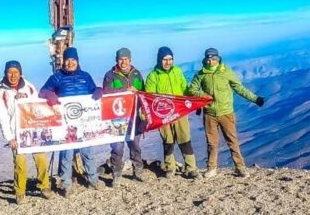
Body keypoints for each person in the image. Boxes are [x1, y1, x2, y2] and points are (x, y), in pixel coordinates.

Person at [188, 47, 265, 179]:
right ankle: (211, 168)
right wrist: (203, 95)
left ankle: (240, 168)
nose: (211, 61)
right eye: (208, 59)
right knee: (211, 143)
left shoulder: (226, 72)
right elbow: (192, 89)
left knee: (232, 141)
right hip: (209, 114)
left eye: (213, 59)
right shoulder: (200, 74)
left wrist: (255, 99)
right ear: (205, 59)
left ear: (218, 59)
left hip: (226, 113)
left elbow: (239, 88)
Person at [39, 47, 104, 196]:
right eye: (68, 60)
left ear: (77, 61)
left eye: (73, 60)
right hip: (66, 123)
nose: (70, 63)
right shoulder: (57, 77)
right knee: (66, 153)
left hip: (84, 122)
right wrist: (49, 94)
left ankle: (93, 179)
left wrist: (98, 90)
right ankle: (66, 184)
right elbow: (42, 91)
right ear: (63, 61)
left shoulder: (85, 76)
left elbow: (93, 90)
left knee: (87, 151)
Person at [0, 60, 54, 204]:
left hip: (33, 131)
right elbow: (2, 117)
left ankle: (44, 187)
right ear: (5, 74)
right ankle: (20, 192)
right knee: (20, 164)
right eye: (10, 72)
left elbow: (37, 106)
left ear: (21, 73)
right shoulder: (2, 93)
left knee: (41, 159)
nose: (13, 75)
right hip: (16, 135)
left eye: (16, 72)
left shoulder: (29, 87)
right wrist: (10, 138)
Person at [144, 46, 200, 178]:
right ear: (159, 60)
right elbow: (149, 95)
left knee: (184, 139)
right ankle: (170, 168)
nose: (168, 62)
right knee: (168, 141)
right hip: (162, 114)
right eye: (165, 59)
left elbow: (184, 89)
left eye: (170, 59)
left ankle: (191, 168)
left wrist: (196, 100)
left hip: (180, 112)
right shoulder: (153, 76)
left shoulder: (177, 72)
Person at [102, 47, 146, 186]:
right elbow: (106, 92)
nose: (123, 62)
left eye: (126, 59)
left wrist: (138, 92)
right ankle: (117, 174)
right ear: (117, 60)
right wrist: (125, 91)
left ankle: (138, 170)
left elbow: (144, 92)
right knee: (117, 148)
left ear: (130, 60)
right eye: (121, 59)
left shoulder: (137, 74)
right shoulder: (110, 75)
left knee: (135, 145)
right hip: (117, 119)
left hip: (135, 117)